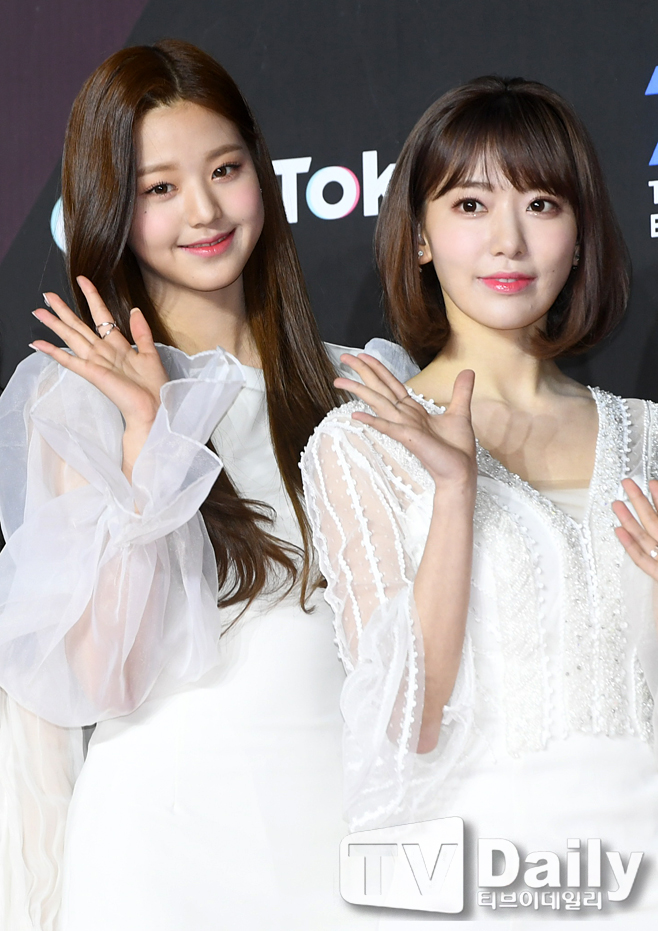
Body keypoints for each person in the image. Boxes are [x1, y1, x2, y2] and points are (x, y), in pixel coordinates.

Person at [0, 39, 384, 931]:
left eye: (225, 169)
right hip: (162, 845)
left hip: (338, 825)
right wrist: (151, 437)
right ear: (110, 208)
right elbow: (103, 673)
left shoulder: (358, 385)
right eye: (160, 188)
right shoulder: (78, 398)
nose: (204, 210)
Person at [301, 76, 658, 923]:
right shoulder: (361, 444)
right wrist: (455, 491)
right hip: (476, 880)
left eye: (541, 204)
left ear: (581, 232)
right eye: (470, 205)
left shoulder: (650, 436)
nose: (509, 241)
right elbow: (405, 728)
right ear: (420, 236)